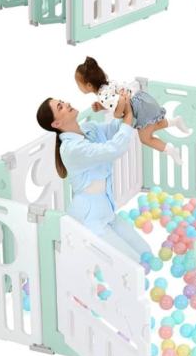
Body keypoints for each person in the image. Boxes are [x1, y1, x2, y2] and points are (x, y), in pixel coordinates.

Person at [36, 92, 150, 263]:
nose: (67, 103)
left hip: (107, 210)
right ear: (56, 123)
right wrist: (127, 119)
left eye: (63, 101)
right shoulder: (71, 149)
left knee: (146, 253)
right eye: (60, 107)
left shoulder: (89, 129)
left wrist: (123, 106)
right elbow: (114, 149)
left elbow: (115, 128)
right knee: (133, 264)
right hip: (89, 217)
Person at [75, 56, 188, 165]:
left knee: (146, 139)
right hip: (143, 100)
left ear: (89, 85)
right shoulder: (108, 85)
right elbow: (114, 100)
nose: (78, 87)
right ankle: (175, 121)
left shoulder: (102, 96)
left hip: (139, 109)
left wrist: (117, 115)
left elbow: (120, 102)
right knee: (154, 125)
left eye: (78, 85)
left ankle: (171, 151)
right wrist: (102, 106)